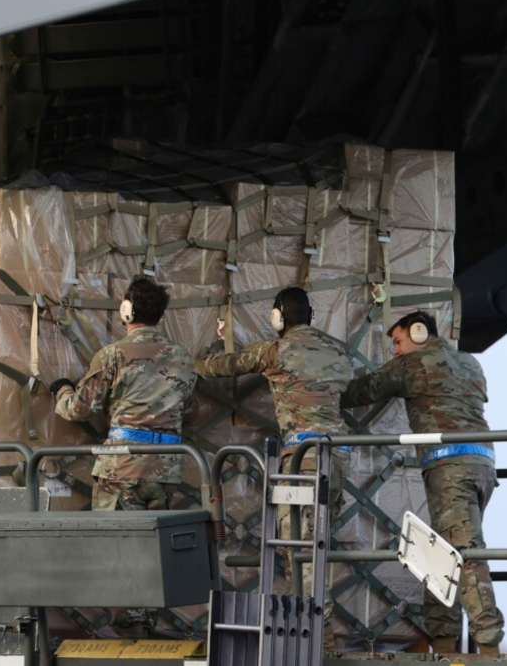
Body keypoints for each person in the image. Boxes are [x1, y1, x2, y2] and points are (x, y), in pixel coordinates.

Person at [194, 286, 351, 649]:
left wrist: (206, 353)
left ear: (278, 317)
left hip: (301, 462)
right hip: (336, 459)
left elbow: (219, 367)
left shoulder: (275, 351)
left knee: (302, 549)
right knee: (313, 545)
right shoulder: (338, 351)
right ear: (311, 317)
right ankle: (311, 633)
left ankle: (321, 640)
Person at [341, 310, 505, 655]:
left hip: (450, 467)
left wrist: (322, 380)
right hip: (482, 465)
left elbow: (360, 391)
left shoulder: (413, 365)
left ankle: (489, 646)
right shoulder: (469, 363)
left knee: (465, 553)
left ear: (418, 333)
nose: (395, 350)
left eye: (398, 341)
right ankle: (443, 641)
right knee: (443, 552)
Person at [49, 275, 196, 637]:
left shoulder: (114, 355)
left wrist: (61, 390)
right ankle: (145, 625)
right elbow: (188, 408)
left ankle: (131, 634)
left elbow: (79, 409)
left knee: (117, 552)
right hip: (165, 471)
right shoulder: (182, 358)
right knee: (152, 552)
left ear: (127, 311)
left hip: (122, 470)